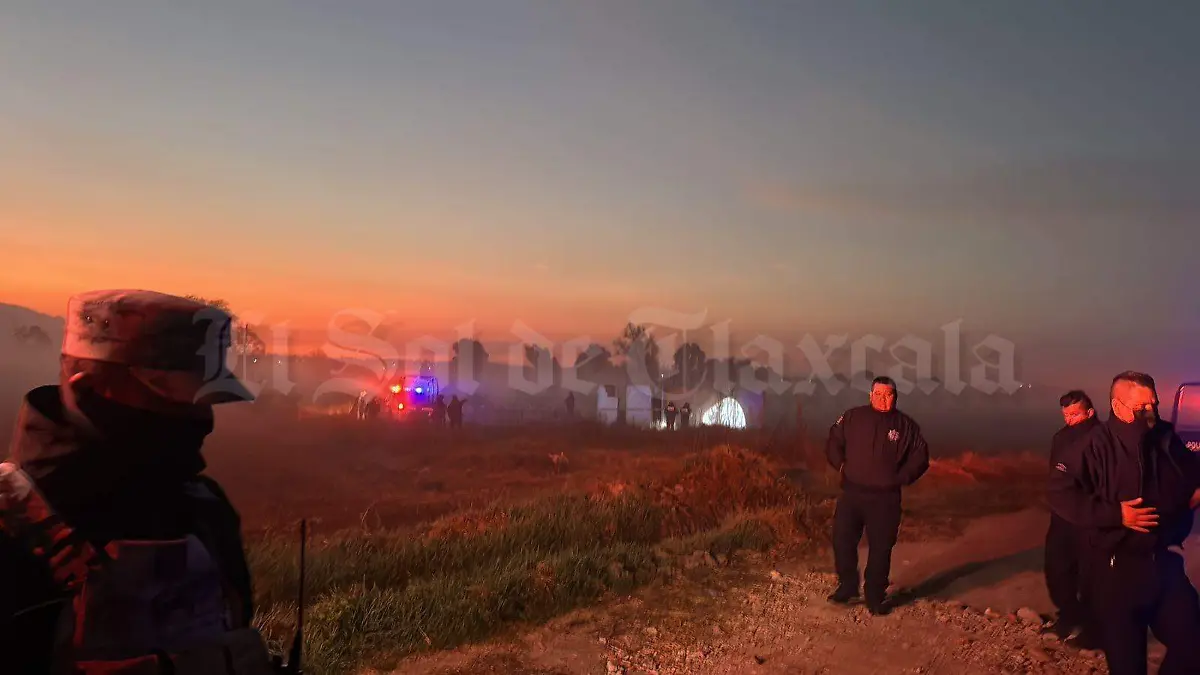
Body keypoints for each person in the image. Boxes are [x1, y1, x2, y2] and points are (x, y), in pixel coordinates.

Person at [0, 290, 276, 674]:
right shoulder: (10, 525)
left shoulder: (206, 510)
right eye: (172, 398)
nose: (202, 419)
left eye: (204, 397)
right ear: (86, 390)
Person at [1049, 371, 1200, 675]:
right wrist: (1116, 515)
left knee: (1194, 648)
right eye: (1141, 407)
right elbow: (1060, 492)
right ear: (1117, 407)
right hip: (1115, 574)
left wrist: (1190, 500)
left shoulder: (1165, 437)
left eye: (1154, 404)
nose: (1150, 413)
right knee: (1128, 666)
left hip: (1164, 566)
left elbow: (1190, 474)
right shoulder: (1092, 446)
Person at [825, 375, 930, 615]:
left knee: (881, 548)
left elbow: (920, 457)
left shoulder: (906, 426)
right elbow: (833, 441)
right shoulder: (853, 417)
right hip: (852, 493)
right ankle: (848, 587)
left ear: (895, 397)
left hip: (886, 499)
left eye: (888, 394)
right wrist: (841, 466)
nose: (883, 399)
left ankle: (875, 596)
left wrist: (901, 478)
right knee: (842, 540)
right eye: (879, 394)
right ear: (870, 395)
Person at [1044, 390, 1101, 644]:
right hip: (1061, 518)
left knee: (1090, 577)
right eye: (1066, 415)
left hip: (1090, 519)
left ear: (1090, 412)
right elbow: (1056, 477)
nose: (1070, 420)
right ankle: (1068, 617)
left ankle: (1094, 630)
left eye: (1075, 414)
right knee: (1057, 570)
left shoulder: (1103, 439)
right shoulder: (1060, 438)